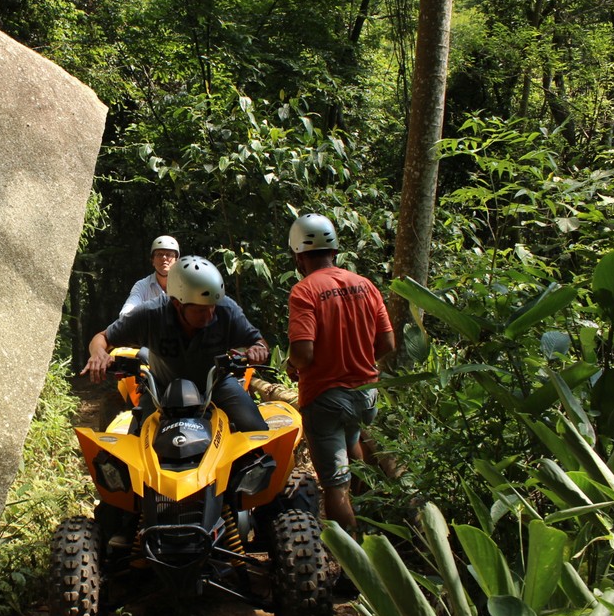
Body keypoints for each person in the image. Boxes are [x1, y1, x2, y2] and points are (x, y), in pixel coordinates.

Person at [285, 213, 395, 534]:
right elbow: (387, 343)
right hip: (365, 394)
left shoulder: (304, 291)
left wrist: (291, 365)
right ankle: (372, 523)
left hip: (325, 399)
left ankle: (352, 554)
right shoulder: (365, 285)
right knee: (353, 445)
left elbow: (303, 353)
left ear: (298, 256)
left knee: (335, 486)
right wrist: (359, 361)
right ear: (334, 250)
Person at [84, 255, 269, 434]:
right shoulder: (151, 315)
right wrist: (98, 353)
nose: (210, 314)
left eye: (213, 306)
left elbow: (258, 341)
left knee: (256, 430)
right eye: (201, 310)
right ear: (177, 304)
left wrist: (258, 349)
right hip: (161, 389)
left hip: (216, 385)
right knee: (136, 442)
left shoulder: (226, 310)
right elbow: (102, 337)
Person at [120, 235, 179, 316]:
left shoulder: (185, 285)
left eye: (169, 254)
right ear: (152, 260)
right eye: (159, 254)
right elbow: (127, 312)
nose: (164, 258)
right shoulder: (142, 286)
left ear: (176, 260)